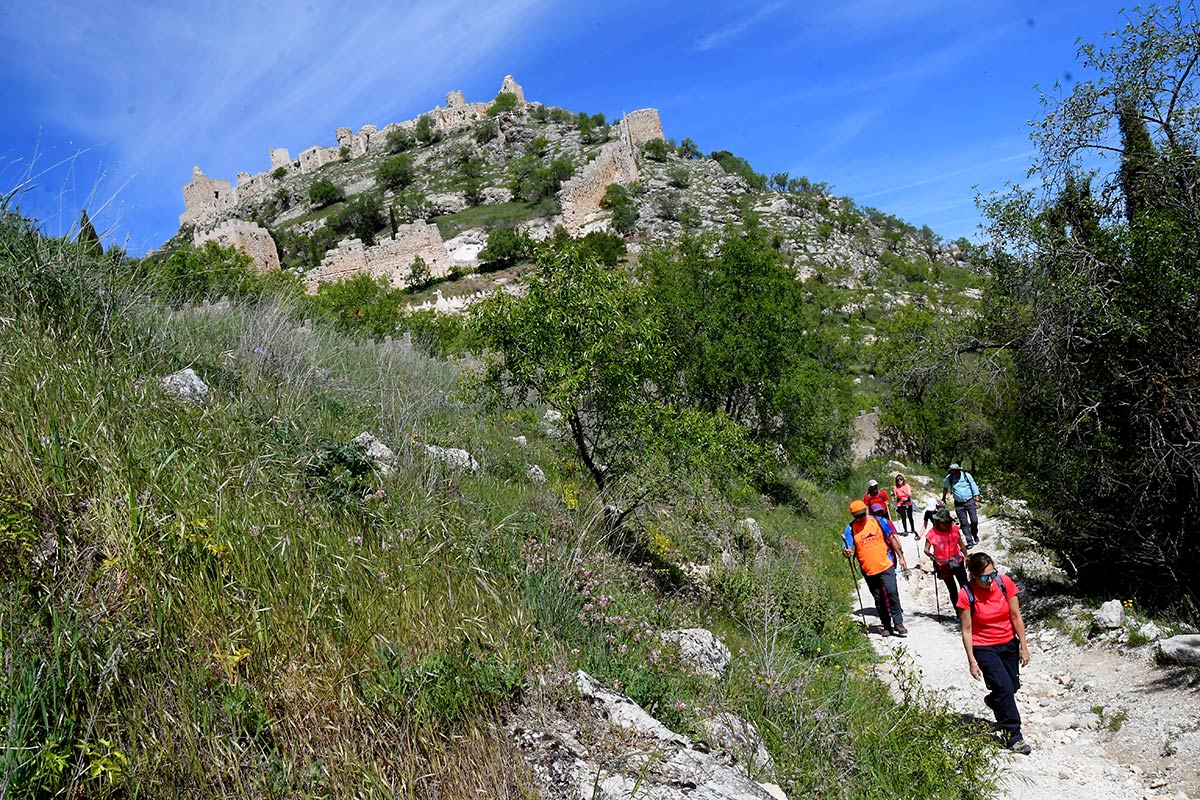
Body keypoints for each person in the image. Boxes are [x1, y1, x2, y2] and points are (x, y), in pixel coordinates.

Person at [956, 552, 1032, 755]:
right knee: (1005, 688)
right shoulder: (966, 594)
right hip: (984, 647)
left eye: (992, 574)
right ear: (973, 576)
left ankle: (995, 700)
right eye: (984, 577)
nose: (990, 580)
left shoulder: (1004, 583)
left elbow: (1016, 616)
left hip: (1008, 643)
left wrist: (1023, 646)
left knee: (1012, 686)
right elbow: (967, 630)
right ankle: (1013, 736)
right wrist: (972, 660)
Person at [843, 499, 909, 637]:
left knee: (892, 592)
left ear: (866, 511)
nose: (861, 518)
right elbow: (847, 548)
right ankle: (886, 626)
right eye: (858, 516)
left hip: (886, 564)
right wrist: (847, 552)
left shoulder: (878, 522)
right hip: (868, 569)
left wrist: (901, 557)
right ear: (853, 516)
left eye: (863, 514)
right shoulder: (850, 529)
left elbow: (891, 539)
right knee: (878, 599)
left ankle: (898, 622)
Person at [924, 507, 969, 603]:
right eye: (944, 523)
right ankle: (958, 612)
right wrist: (931, 556)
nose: (946, 524)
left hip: (958, 561)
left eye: (947, 522)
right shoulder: (931, 533)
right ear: (937, 522)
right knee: (952, 589)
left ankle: (968, 608)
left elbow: (961, 544)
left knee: (964, 586)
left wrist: (966, 555)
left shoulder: (954, 529)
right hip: (943, 565)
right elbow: (926, 549)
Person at [941, 462, 981, 546]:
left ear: (959, 470)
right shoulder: (949, 478)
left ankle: (974, 534)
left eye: (955, 471)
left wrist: (977, 497)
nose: (954, 473)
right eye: (952, 471)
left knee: (974, 520)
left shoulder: (966, 476)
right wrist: (943, 498)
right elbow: (945, 488)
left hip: (969, 501)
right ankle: (969, 541)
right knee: (964, 523)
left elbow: (973, 485)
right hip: (959, 504)